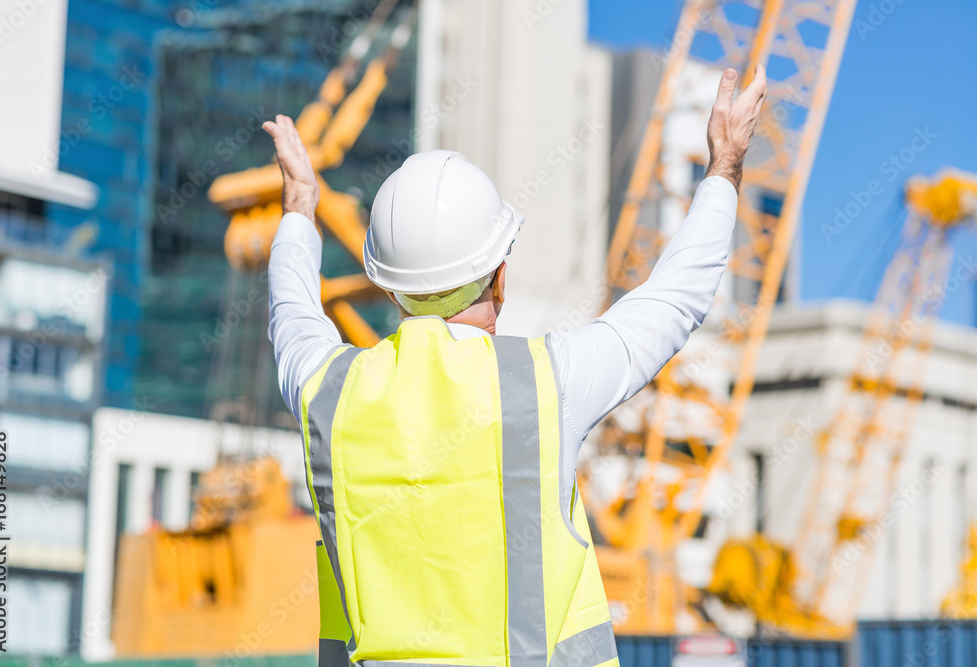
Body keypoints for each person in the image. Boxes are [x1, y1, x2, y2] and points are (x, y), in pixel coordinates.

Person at [263, 66, 767, 667]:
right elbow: (674, 301)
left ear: (390, 291)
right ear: (500, 276)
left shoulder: (328, 393)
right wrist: (724, 166)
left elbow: (291, 309)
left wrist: (299, 204)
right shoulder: (545, 383)